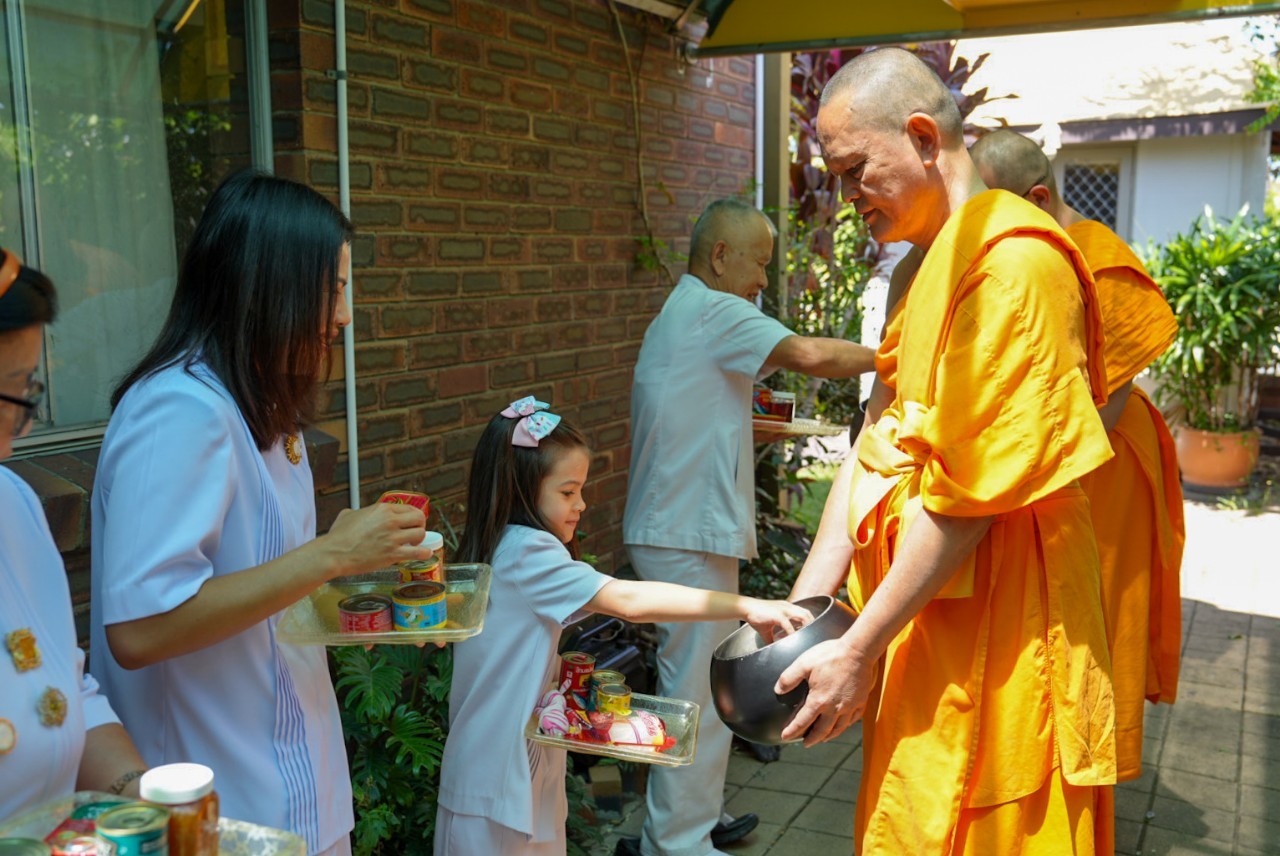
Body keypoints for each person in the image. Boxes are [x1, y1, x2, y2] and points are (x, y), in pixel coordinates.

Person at [781, 48, 1119, 854]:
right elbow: (877, 442)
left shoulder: (1014, 267)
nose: (846, 195)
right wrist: (809, 609)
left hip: (1002, 621)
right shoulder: (928, 266)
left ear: (926, 137)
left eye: (857, 168)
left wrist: (859, 645)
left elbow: (970, 495)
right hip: (921, 611)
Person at [90, 171, 433, 855]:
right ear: (271, 283)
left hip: (301, 784)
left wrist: (364, 594)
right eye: (333, 287)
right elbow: (140, 627)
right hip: (216, 808)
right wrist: (331, 554)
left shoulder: (267, 411)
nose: (343, 315)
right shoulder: (180, 412)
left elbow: (270, 591)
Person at [435, 398, 811, 855]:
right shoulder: (527, 551)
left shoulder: (505, 545)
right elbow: (630, 601)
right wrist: (747, 605)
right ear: (522, 490)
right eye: (568, 492)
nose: (582, 504)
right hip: (496, 777)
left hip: (512, 767)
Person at [620, 198, 875, 856]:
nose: (765, 279)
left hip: (678, 526)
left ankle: (690, 823)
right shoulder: (713, 309)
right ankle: (673, 842)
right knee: (696, 695)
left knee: (699, 687)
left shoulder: (684, 314)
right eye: (759, 262)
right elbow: (812, 355)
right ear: (720, 256)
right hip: (685, 532)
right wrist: (896, 355)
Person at [970, 129, 1184, 782]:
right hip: (1053, 456)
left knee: (1099, 612)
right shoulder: (1035, 253)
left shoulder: (1099, 256)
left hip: (1102, 463)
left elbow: (1102, 408)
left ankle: (1093, 772)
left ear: (1037, 198)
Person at [0, 248, 148, 818]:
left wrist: (140, 796)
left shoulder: (12, 508)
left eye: (29, 392)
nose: (18, 434)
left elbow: (62, 693)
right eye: (10, 397)